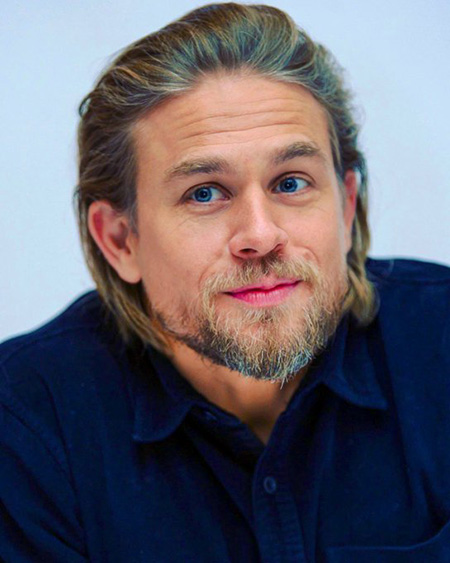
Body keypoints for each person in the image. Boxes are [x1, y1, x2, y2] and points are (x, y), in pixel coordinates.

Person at [1, 3, 449, 562]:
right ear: (120, 240)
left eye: (291, 182)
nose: (260, 235)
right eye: (205, 193)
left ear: (345, 205)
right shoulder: (25, 425)